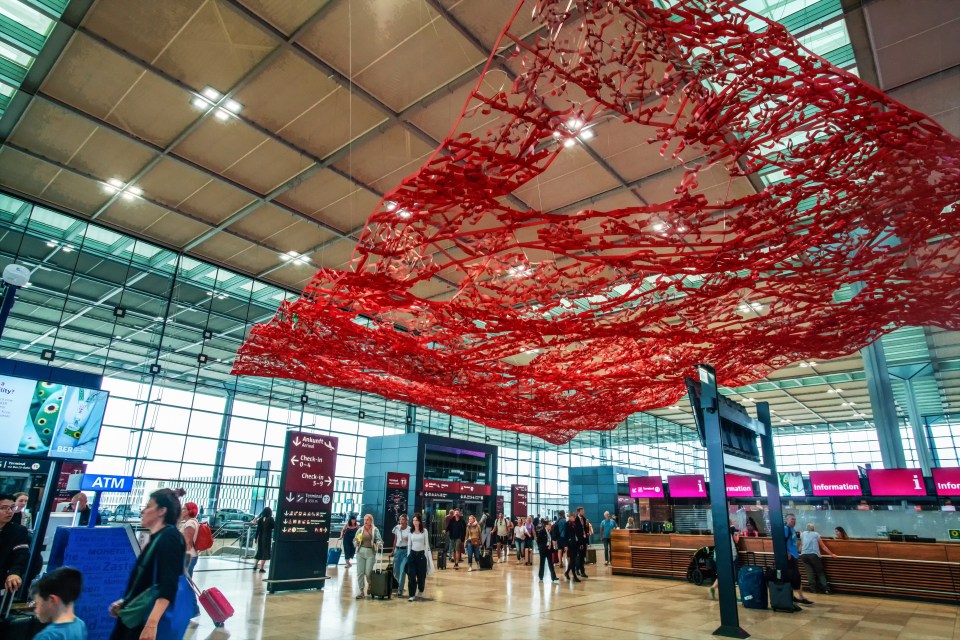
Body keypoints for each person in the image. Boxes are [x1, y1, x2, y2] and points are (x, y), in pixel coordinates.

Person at [109, 488, 185, 640]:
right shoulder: (159, 538)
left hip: (143, 624)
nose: (143, 511)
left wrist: (151, 624)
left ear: (161, 511)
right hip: (135, 618)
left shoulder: (170, 538)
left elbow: (168, 584)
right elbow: (150, 580)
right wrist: (127, 602)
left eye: (149, 506)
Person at [31, 566, 87, 640]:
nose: (35, 610)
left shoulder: (46, 637)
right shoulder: (80, 625)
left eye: (37, 603)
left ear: (52, 600)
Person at [0, 493, 31, 594]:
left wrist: (15, 572)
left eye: (12, 507)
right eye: (4, 508)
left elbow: (21, 554)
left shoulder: (18, 531)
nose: (9, 511)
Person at [783, 513, 813, 605]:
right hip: (790, 557)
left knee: (795, 577)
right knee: (795, 577)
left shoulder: (792, 530)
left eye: (794, 519)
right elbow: (781, 541)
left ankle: (796, 596)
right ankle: (799, 597)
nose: (794, 521)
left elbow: (793, 543)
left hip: (794, 556)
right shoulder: (785, 529)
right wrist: (787, 552)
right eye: (792, 519)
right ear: (787, 520)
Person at [800, 523, 837, 594]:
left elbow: (801, 545)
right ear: (813, 528)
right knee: (820, 572)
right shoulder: (816, 534)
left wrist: (799, 552)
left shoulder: (803, 534)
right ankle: (826, 589)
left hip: (804, 554)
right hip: (814, 555)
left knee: (809, 572)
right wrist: (831, 554)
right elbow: (823, 546)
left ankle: (812, 589)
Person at [353, 514, 382, 598]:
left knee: (368, 572)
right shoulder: (360, 530)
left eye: (367, 520)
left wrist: (379, 544)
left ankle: (370, 584)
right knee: (360, 572)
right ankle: (361, 591)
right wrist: (356, 543)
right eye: (364, 519)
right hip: (360, 551)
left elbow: (379, 540)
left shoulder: (375, 530)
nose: (365, 521)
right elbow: (355, 540)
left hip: (370, 552)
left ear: (371, 521)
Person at [709, 523, 740, 600]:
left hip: (719, 555)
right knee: (731, 576)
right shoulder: (731, 530)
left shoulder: (718, 531)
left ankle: (713, 587)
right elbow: (736, 541)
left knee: (723, 574)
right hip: (730, 555)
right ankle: (732, 596)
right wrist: (737, 534)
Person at [406, 514, 432, 602]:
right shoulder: (410, 531)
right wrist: (408, 555)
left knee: (421, 576)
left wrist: (425, 555)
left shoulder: (424, 531)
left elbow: (426, 544)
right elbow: (409, 544)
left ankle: (421, 590)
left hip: (421, 555)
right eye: (413, 520)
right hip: (412, 555)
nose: (415, 522)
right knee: (411, 575)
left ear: (420, 521)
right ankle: (411, 594)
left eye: (416, 520)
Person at [178, 502, 200, 577]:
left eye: (183, 509)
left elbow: (188, 543)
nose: (181, 510)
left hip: (188, 556)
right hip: (190, 555)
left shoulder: (190, 523)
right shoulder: (193, 522)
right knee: (187, 580)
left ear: (189, 511)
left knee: (186, 582)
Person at [392, 514, 411, 596]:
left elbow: (412, 540)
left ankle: (400, 589)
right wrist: (393, 550)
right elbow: (395, 539)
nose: (402, 521)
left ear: (407, 520)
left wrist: (409, 539)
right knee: (396, 571)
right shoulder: (397, 528)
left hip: (405, 551)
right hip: (397, 550)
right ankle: (399, 583)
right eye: (401, 519)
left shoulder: (410, 529)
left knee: (402, 570)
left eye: (403, 519)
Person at [253, 507, 274, 573]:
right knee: (265, 552)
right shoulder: (271, 519)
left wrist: (255, 538)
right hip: (267, 537)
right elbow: (273, 526)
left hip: (260, 537)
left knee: (260, 551)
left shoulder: (260, 519)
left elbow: (258, 530)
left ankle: (255, 565)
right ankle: (261, 568)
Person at [564, 512, 581, 582]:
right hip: (570, 545)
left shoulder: (575, 524)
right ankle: (574, 576)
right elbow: (565, 535)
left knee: (573, 560)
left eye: (574, 516)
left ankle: (567, 572)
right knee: (573, 560)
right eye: (573, 517)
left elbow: (577, 533)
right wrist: (566, 545)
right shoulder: (567, 524)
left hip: (575, 544)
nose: (574, 518)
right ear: (570, 517)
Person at [575, 507, 590, 577]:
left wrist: (587, 526)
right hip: (578, 541)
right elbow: (576, 531)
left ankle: (579, 569)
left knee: (583, 556)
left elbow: (586, 529)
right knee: (579, 556)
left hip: (584, 540)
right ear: (578, 512)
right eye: (582, 511)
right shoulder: (575, 520)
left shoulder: (584, 519)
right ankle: (581, 571)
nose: (583, 512)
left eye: (583, 511)